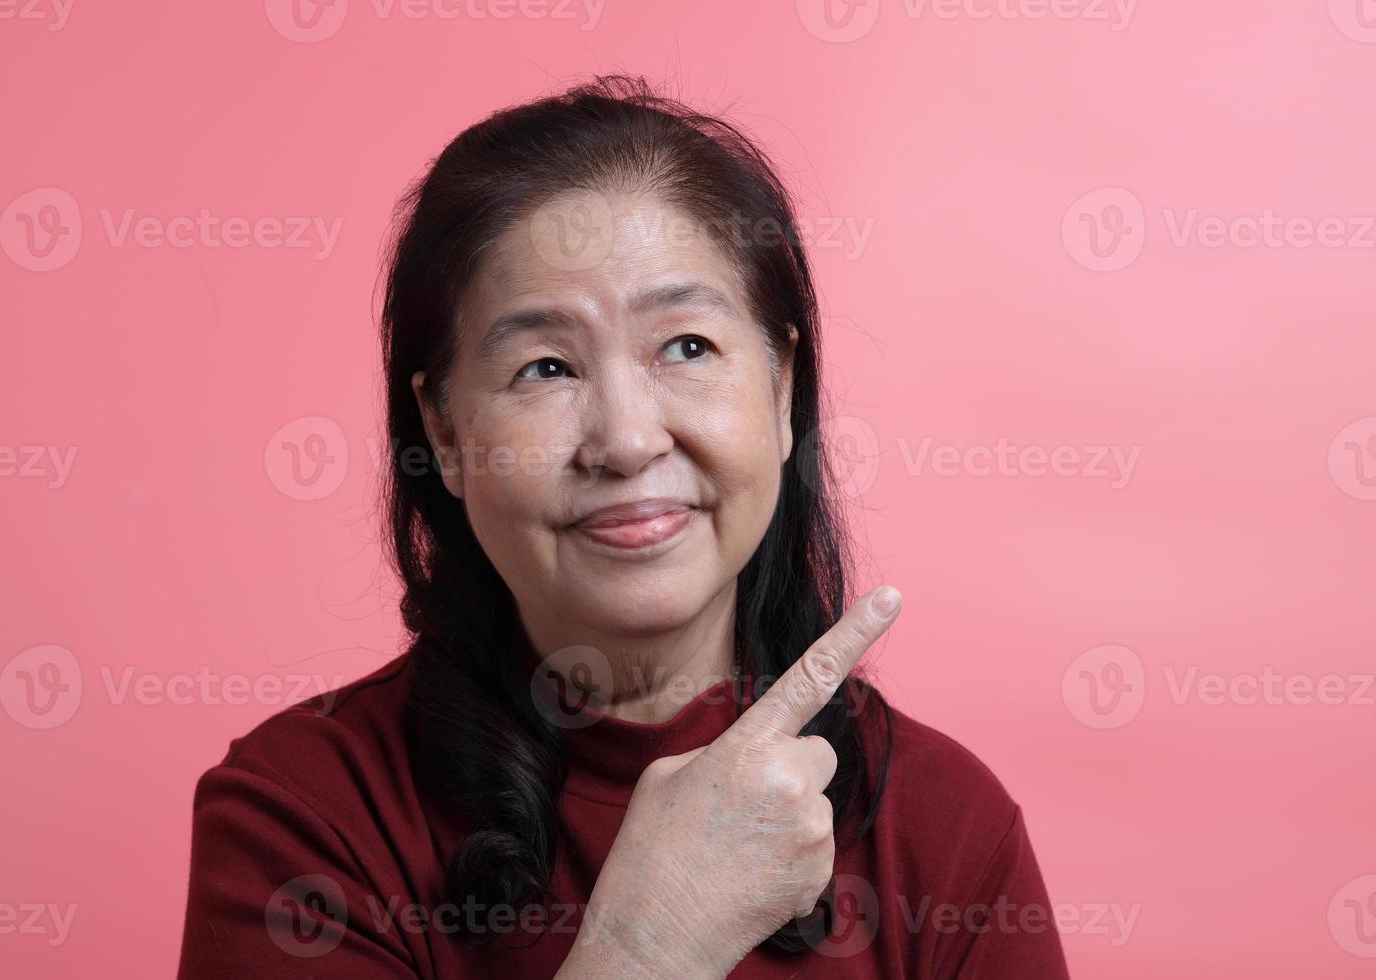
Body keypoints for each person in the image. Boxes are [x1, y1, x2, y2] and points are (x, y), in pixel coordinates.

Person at [175, 74, 1071, 978]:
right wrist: (653, 943)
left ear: (781, 387)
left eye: (687, 347)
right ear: (444, 431)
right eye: (547, 366)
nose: (628, 440)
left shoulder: (947, 830)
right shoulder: (301, 819)